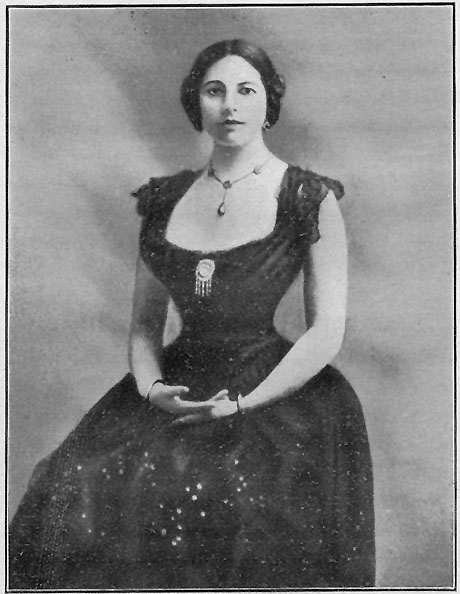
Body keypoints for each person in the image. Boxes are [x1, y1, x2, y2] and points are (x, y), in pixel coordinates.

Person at [9, 39, 375, 589]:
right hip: (176, 387)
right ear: (196, 104)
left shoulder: (306, 196)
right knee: (72, 484)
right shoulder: (163, 200)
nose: (230, 105)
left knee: (240, 511)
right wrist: (153, 388)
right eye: (214, 91)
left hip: (273, 395)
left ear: (268, 104)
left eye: (246, 91)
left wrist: (245, 404)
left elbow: (326, 331)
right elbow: (143, 326)